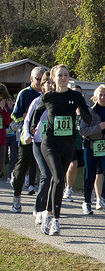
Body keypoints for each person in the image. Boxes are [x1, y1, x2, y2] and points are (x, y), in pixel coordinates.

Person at [30, 64, 92, 235]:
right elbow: (37, 113)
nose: (63, 78)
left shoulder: (75, 96)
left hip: (68, 143)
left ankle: (47, 213)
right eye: (60, 75)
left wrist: (80, 111)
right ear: (53, 78)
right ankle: (54, 219)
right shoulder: (48, 97)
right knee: (57, 177)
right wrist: (32, 127)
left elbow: (87, 117)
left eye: (66, 75)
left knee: (58, 181)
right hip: (50, 143)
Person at [79, 84, 105, 214]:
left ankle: (103, 198)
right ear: (95, 96)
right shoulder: (89, 112)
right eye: (100, 95)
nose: (103, 97)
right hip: (91, 146)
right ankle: (87, 202)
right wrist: (98, 127)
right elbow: (82, 130)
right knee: (90, 175)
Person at [11, 66, 46, 212]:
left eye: (43, 79)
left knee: (45, 170)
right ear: (31, 79)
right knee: (22, 167)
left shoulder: (50, 94)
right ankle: (17, 196)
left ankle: (41, 204)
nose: (40, 82)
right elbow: (15, 115)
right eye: (38, 79)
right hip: (27, 137)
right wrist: (25, 118)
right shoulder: (24, 94)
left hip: (44, 138)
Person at [22, 71, 53, 224]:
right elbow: (27, 120)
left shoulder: (58, 101)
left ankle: (48, 209)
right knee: (46, 174)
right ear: (42, 85)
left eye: (52, 82)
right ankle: (40, 209)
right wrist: (27, 134)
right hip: (39, 143)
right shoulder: (37, 101)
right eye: (47, 82)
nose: (50, 85)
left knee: (54, 177)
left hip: (55, 144)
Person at [62, 84, 86, 202]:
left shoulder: (85, 109)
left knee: (82, 167)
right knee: (73, 164)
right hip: (69, 143)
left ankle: (90, 193)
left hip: (82, 144)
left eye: (79, 93)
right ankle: (68, 188)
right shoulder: (66, 108)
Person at [0, 84, 13, 180]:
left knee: (1, 165)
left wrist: (3, 108)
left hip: (2, 139)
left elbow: (8, 121)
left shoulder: (5, 106)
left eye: (3, 97)